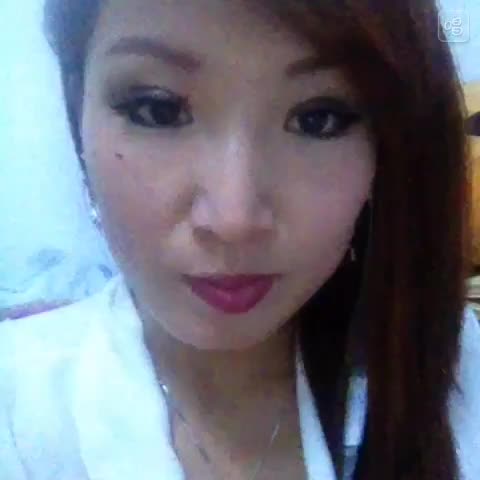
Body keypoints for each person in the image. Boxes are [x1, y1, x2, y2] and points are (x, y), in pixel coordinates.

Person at [0, 0, 478, 479]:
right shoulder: (20, 414)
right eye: (158, 110)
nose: (234, 219)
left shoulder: (456, 369)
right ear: (77, 109)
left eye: (318, 119)